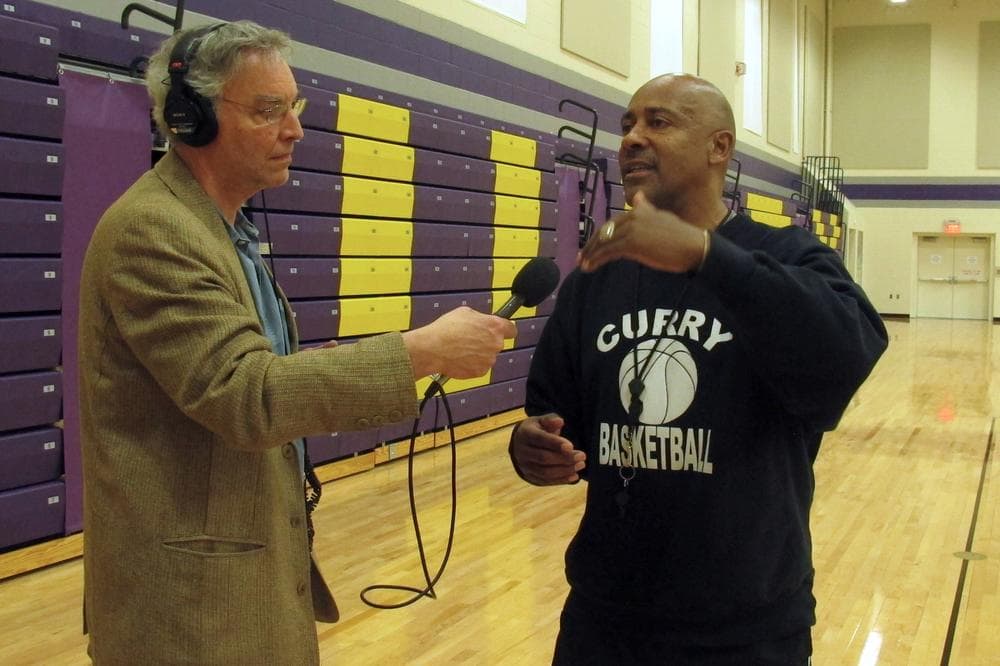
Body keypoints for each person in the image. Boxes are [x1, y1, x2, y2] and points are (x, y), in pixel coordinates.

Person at [77, 21, 515, 665]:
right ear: (190, 117)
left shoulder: (229, 233)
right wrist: (421, 351)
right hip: (187, 612)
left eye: (294, 107)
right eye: (268, 110)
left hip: (236, 585)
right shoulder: (155, 232)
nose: (294, 130)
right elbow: (246, 396)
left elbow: (244, 374)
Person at [509, 73, 887, 665]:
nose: (632, 137)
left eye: (658, 122)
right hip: (605, 621)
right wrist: (531, 448)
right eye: (627, 124)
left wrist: (704, 255)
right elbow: (555, 412)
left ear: (720, 147)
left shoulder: (788, 255)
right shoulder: (599, 269)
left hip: (745, 628)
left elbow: (845, 354)